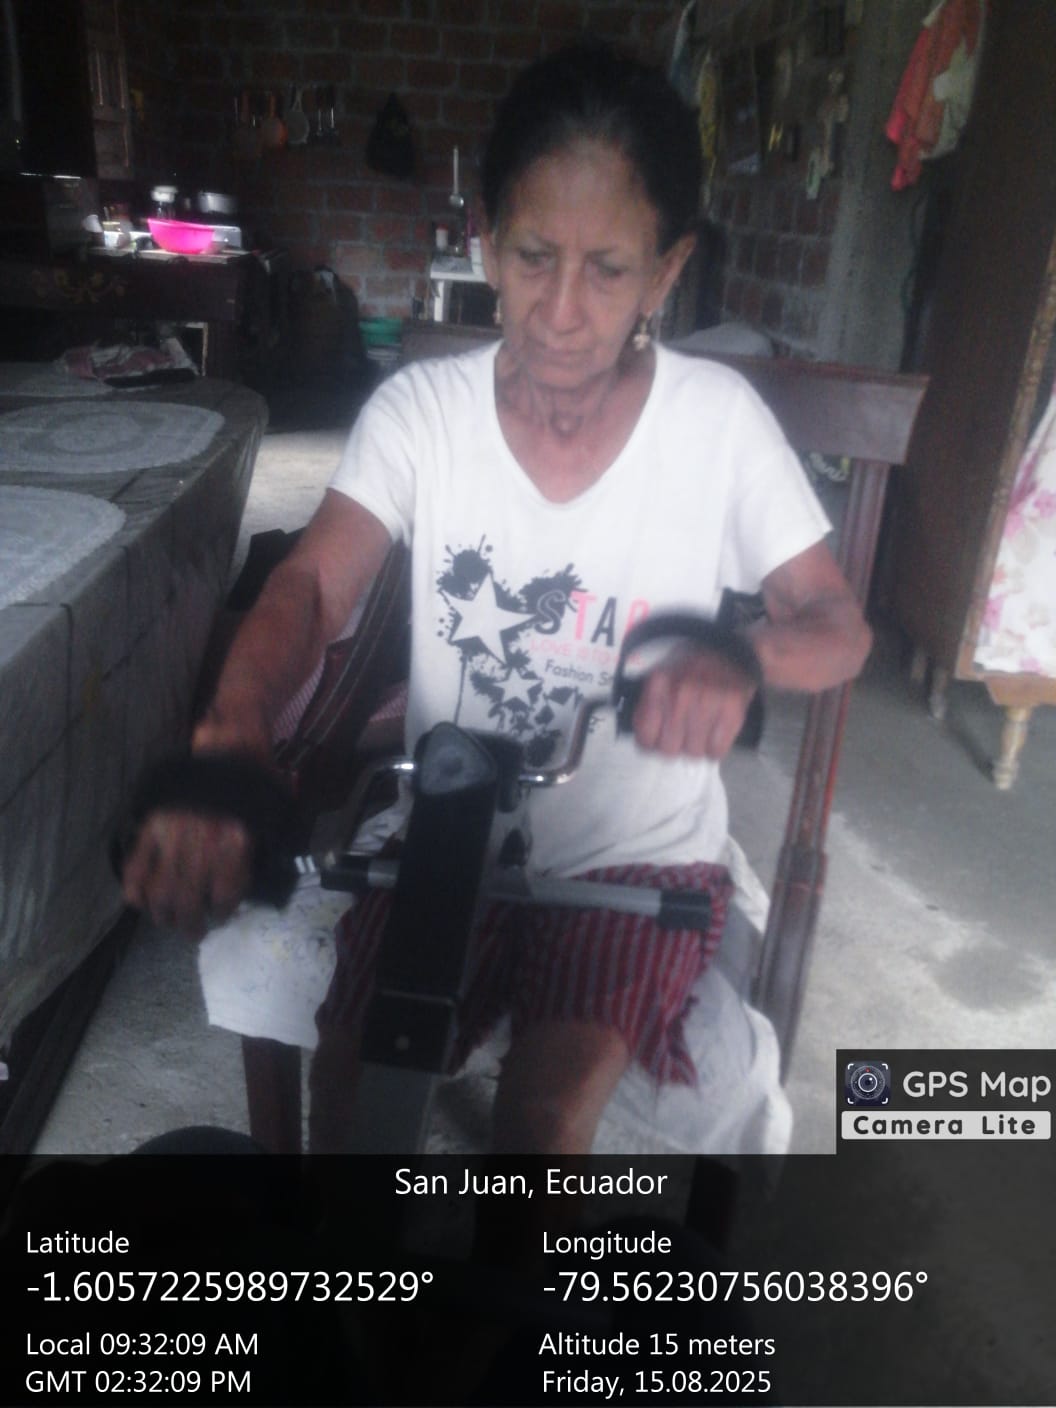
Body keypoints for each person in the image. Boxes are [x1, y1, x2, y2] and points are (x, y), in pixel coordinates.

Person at [123, 43, 870, 1156]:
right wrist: (230, 740)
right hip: (444, 826)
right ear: (485, 239)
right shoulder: (424, 410)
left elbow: (837, 624)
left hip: (633, 859)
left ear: (666, 272)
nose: (561, 310)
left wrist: (744, 656)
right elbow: (313, 585)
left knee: (544, 1120)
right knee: (358, 1085)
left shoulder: (715, 425)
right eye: (533, 256)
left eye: (607, 269)